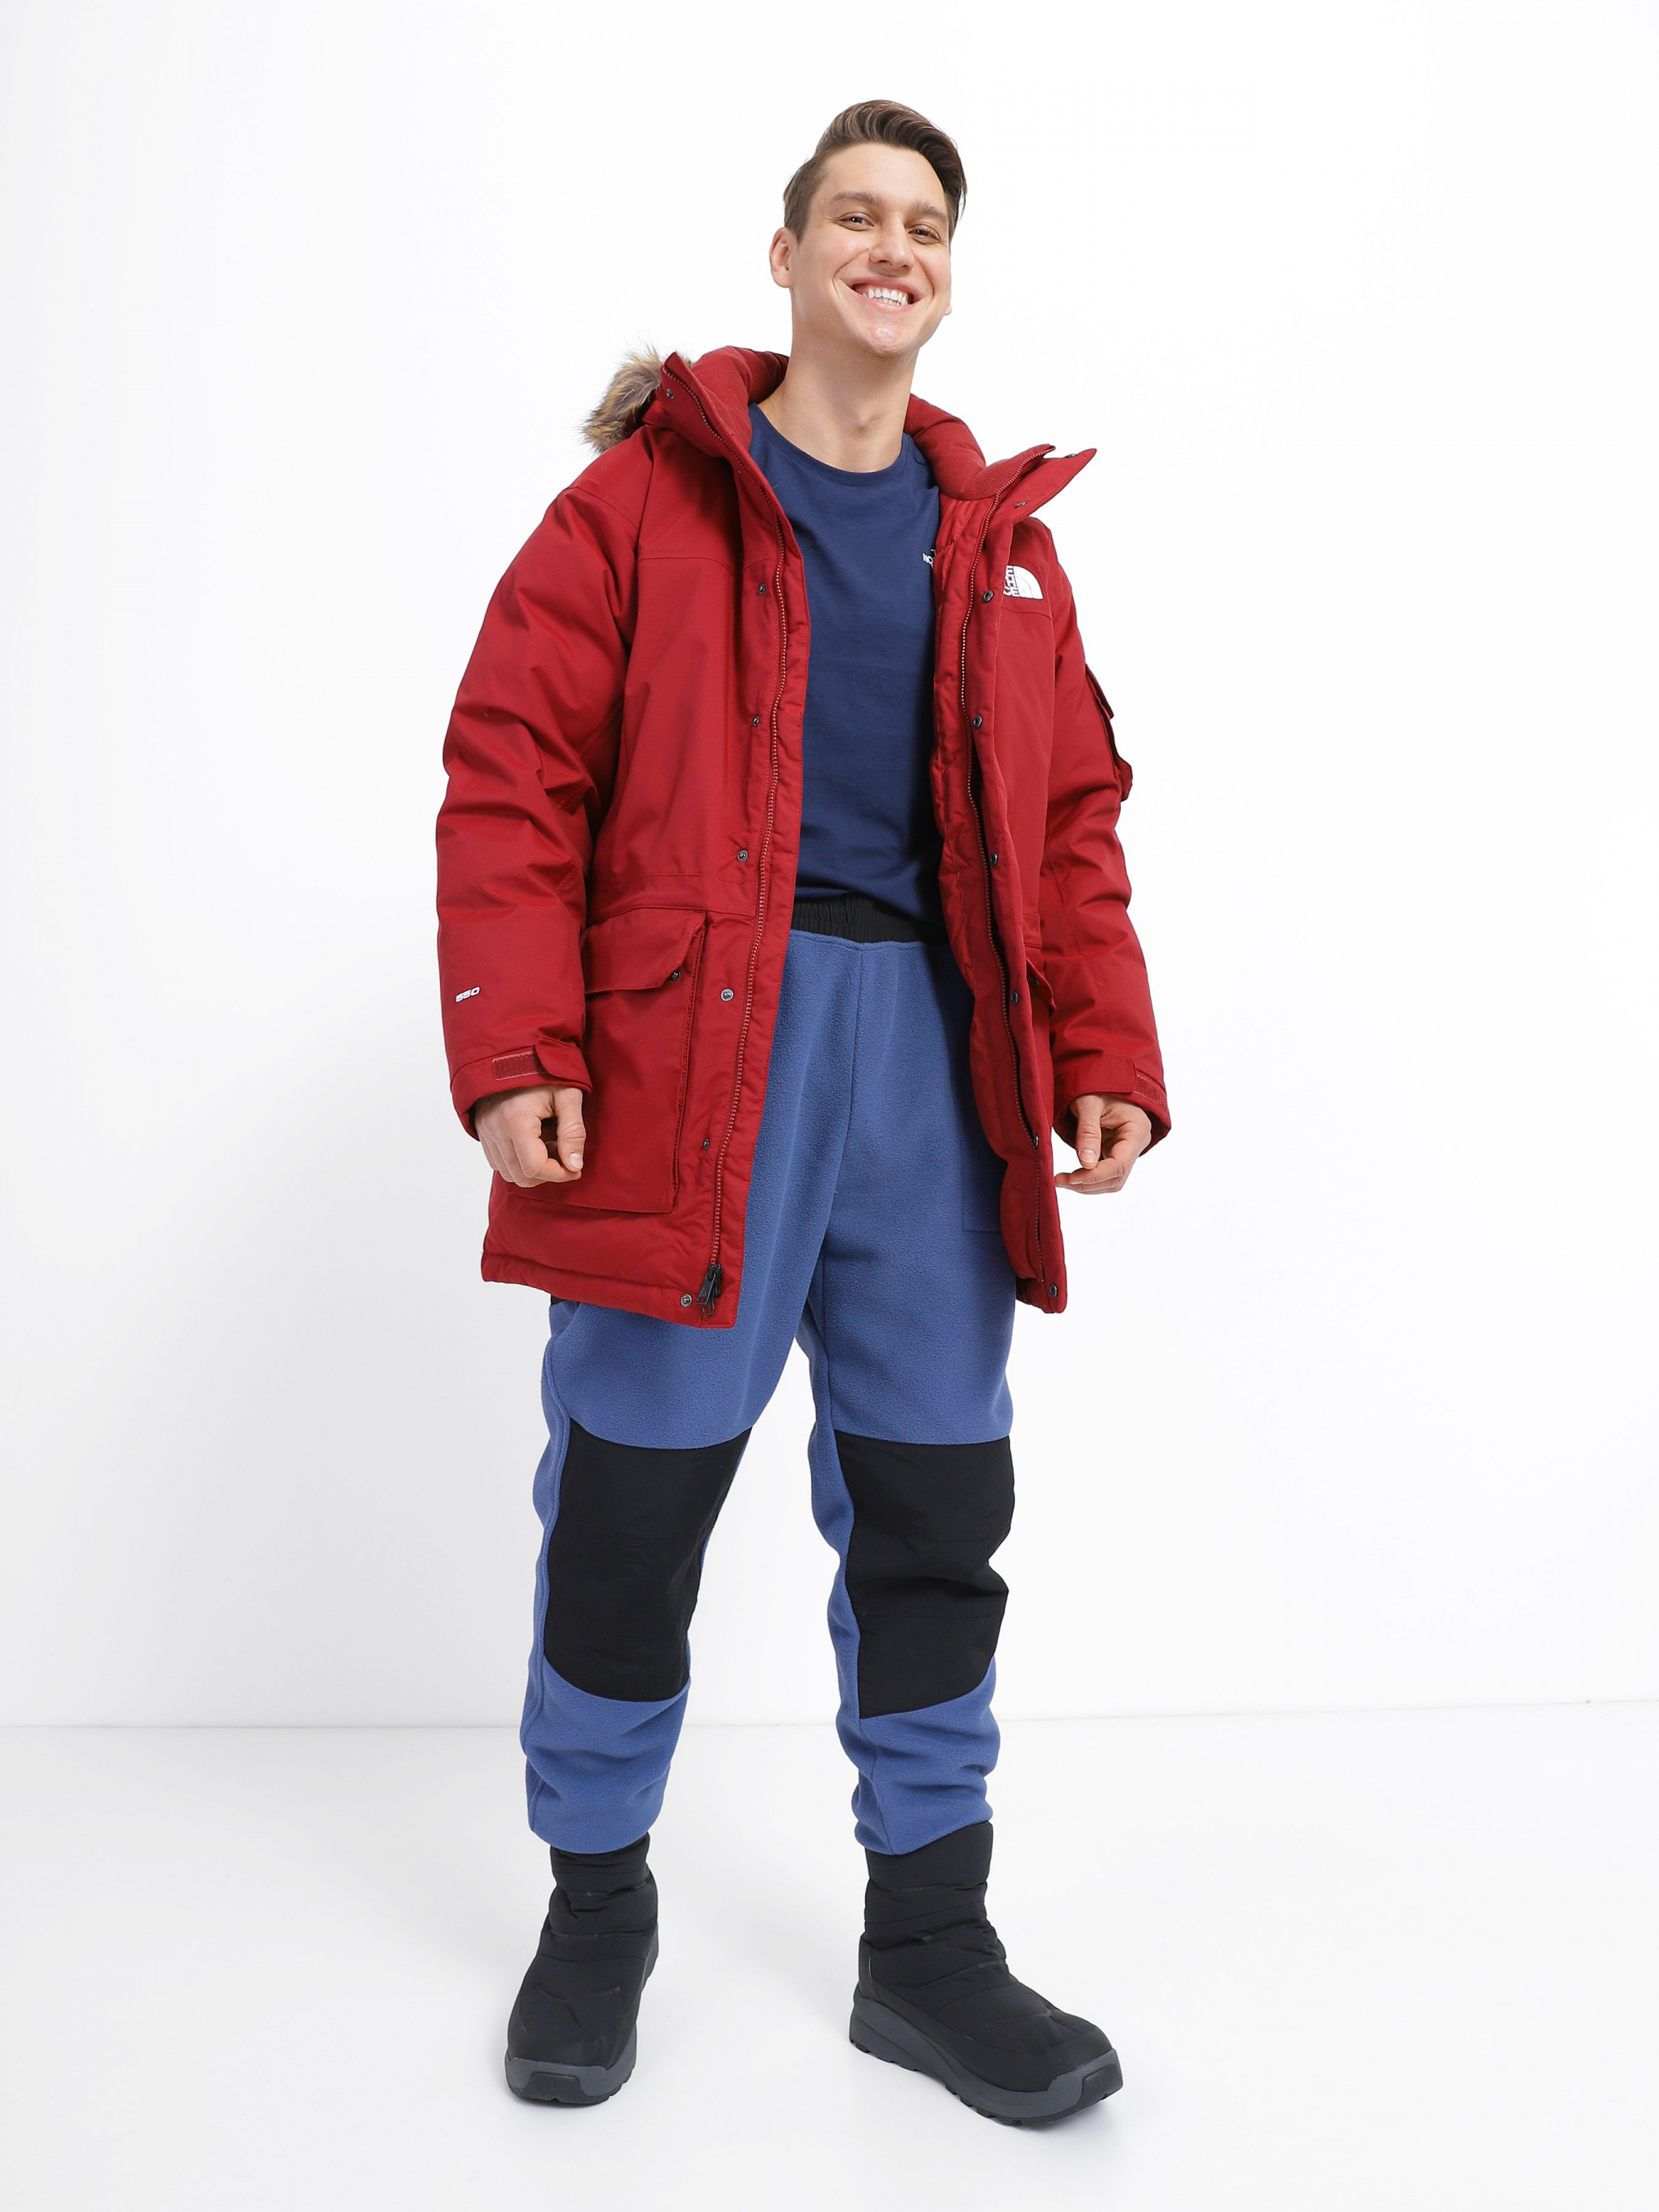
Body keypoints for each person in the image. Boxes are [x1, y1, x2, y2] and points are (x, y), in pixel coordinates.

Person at [434, 98, 1169, 2126]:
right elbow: (510, 770)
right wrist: (517, 1046)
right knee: (629, 1503)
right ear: (785, 257)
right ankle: (595, 1906)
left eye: (923, 223)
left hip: (934, 1068)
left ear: (944, 274)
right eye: (854, 213)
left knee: (934, 1511)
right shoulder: (638, 512)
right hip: (695, 1066)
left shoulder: (1001, 551)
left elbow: (1069, 821)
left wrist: (1103, 1046)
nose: (890, 246)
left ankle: (926, 1946)